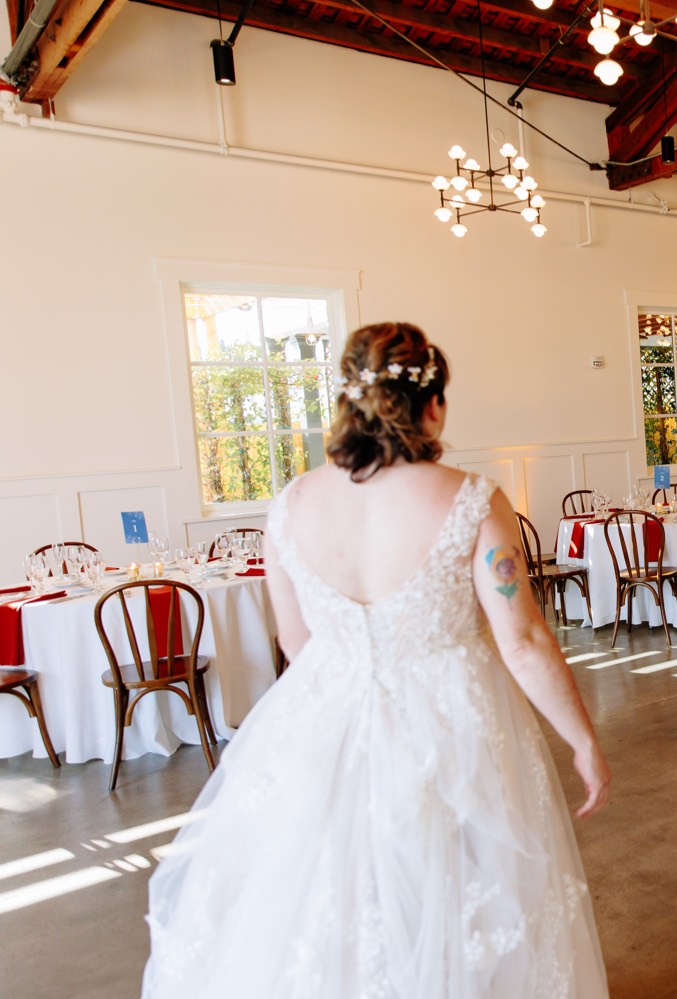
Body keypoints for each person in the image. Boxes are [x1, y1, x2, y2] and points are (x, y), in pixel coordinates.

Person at [142, 322, 611, 997]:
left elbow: (296, 641)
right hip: (452, 727)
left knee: (335, 892)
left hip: (325, 722)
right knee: (456, 891)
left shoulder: (292, 504)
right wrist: (582, 740)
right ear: (434, 403)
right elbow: (524, 639)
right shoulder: (473, 499)